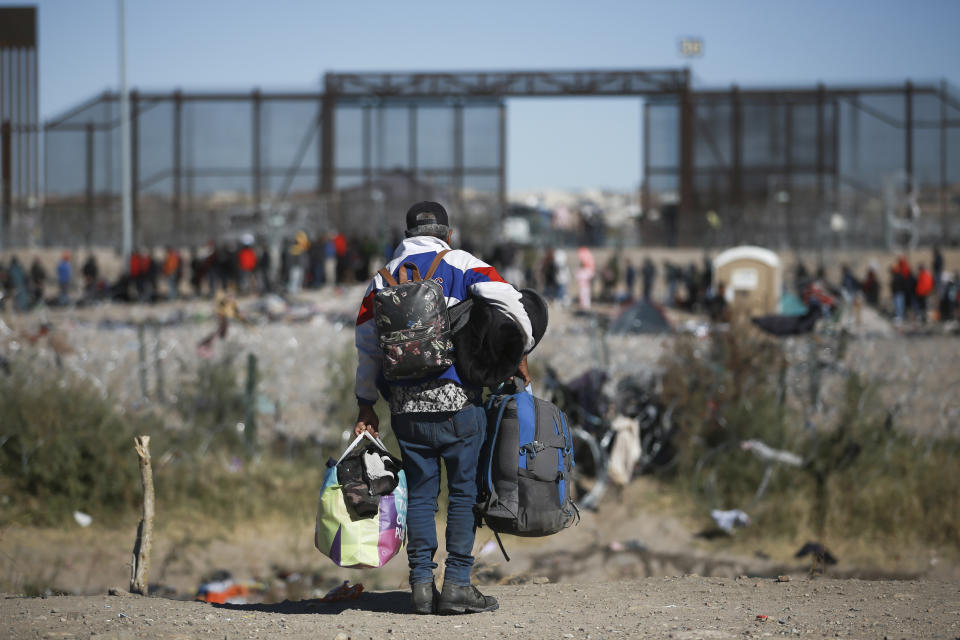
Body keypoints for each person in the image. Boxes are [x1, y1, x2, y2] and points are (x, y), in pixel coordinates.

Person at [353, 201, 534, 616]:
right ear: (447, 234)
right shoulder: (462, 263)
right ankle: (456, 584)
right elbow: (514, 306)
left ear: (405, 234)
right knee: (464, 493)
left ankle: (420, 586)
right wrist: (518, 353)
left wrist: (366, 405)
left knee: (421, 494)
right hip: (459, 405)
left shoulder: (380, 281)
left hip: (405, 410)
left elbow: (365, 349)